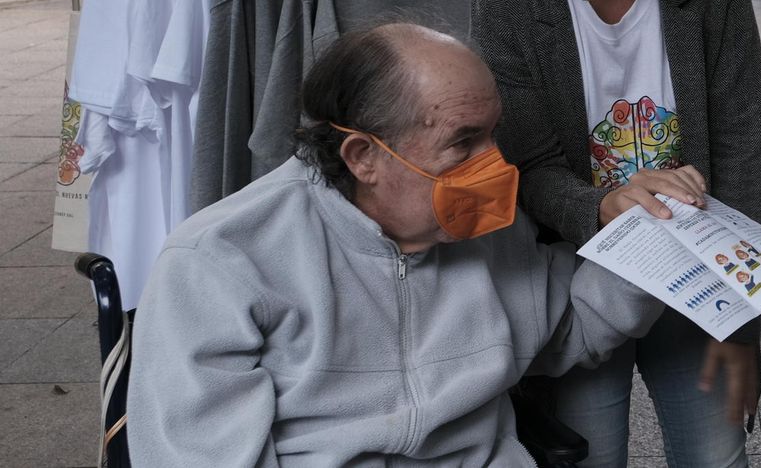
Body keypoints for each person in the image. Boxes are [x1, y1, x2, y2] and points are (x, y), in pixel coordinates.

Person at [127, 23, 662, 465]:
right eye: (463, 141)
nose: (497, 163)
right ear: (363, 156)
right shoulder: (220, 261)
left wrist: (647, 235)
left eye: (494, 134)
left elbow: (571, 328)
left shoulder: (488, 233)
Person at [476, 0, 761, 468]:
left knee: (715, 456)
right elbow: (528, 165)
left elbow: (743, 149)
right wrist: (601, 202)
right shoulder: (509, 1)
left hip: (699, 280)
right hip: (579, 288)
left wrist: (743, 323)